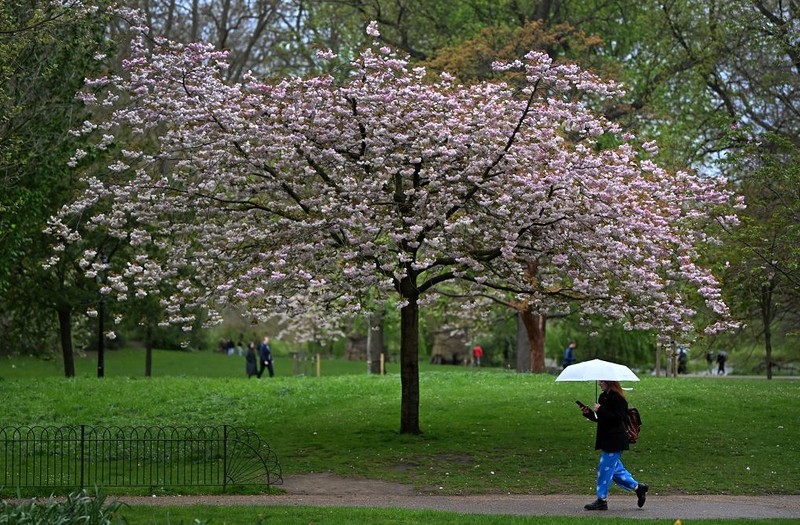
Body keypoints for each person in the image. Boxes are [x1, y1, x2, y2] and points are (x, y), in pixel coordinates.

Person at [578, 380, 648, 511]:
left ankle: (601, 500)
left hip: (616, 439)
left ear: (609, 382)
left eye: (602, 381)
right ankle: (639, 488)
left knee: (604, 468)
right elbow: (601, 418)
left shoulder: (618, 398)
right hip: (606, 439)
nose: (599, 383)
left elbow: (618, 418)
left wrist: (601, 409)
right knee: (615, 471)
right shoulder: (603, 396)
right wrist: (588, 413)